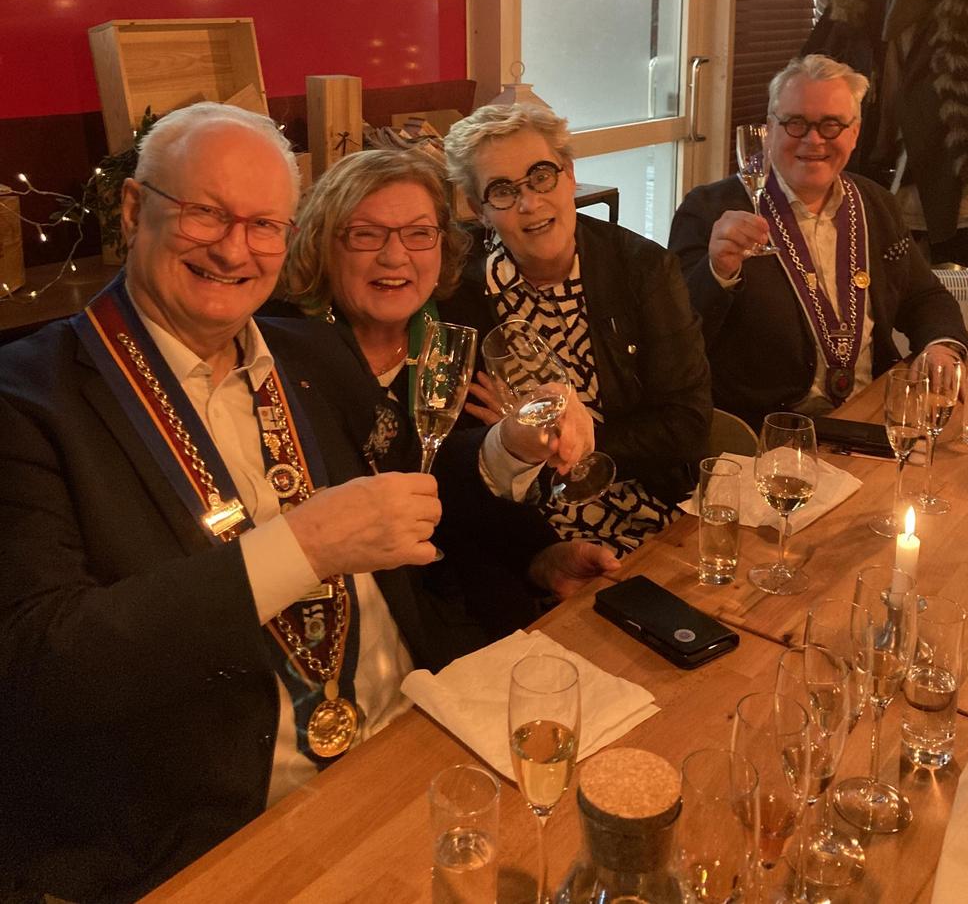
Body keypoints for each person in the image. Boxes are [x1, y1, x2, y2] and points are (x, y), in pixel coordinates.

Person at [0, 104, 612, 904]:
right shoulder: (27, 398)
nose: (234, 248)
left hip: (427, 730)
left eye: (262, 224)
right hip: (236, 819)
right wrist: (301, 548)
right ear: (133, 208)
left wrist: (511, 453)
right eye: (204, 212)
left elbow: (419, 490)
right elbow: (39, 666)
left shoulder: (312, 353)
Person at [274, 146, 618, 633]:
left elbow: (466, 485)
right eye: (366, 234)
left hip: (462, 593)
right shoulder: (283, 348)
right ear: (322, 244)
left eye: (419, 233)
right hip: (346, 615)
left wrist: (541, 557)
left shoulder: (458, 321)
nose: (395, 256)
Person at [441, 102, 713, 552]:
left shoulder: (643, 270)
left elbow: (687, 425)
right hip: (527, 534)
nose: (530, 203)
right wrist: (507, 444)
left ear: (569, 174)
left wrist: (558, 441)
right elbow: (463, 451)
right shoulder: (458, 294)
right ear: (480, 209)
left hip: (652, 511)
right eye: (502, 190)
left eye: (541, 176)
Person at [668, 54, 968, 430]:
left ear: (854, 134)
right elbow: (675, 342)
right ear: (769, 129)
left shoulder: (876, 203)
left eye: (831, 125)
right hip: (766, 429)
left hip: (871, 413)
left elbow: (925, 297)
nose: (813, 140)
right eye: (795, 123)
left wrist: (941, 346)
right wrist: (717, 272)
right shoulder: (708, 211)